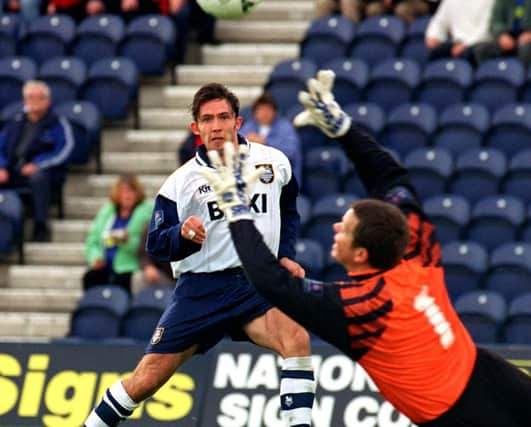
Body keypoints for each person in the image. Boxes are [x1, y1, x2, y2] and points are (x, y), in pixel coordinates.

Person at [201, 70, 531, 427]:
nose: (337, 227)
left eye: (347, 228)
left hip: (458, 415)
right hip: (493, 376)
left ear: (360, 256)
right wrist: (343, 129)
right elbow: (391, 175)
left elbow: (272, 282)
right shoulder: (417, 250)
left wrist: (237, 210)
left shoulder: (359, 308)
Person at [82, 83, 315, 427]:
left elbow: (288, 207)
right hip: (201, 290)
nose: (216, 126)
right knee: (145, 380)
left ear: (238, 121)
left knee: (297, 338)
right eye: (207, 119)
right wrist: (182, 235)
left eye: (224, 117)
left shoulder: (273, 162)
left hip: (255, 283)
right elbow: (156, 244)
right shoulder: (181, 182)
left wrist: (285, 253)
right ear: (196, 128)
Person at [0, 80, 74, 242]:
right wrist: (2, 166)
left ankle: (40, 225)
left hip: (43, 172)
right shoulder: (14, 121)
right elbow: (1, 145)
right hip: (12, 169)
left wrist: (38, 164)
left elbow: (64, 150)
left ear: (47, 100)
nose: (33, 102)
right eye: (30, 98)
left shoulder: (57, 123)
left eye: (38, 98)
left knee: (38, 178)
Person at [83, 174, 153, 293]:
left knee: (123, 281)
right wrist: (95, 258)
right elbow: (93, 240)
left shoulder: (146, 212)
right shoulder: (107, 211)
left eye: (131, 192)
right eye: (123, 192)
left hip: (129, 267)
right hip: (104, 265)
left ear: (137, 193)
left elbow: (145, 246)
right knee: (90, 278)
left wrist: (127, 241)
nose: (127, 196)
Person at [475, 0, 531, 66]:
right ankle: (490, 84)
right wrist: (502, 35)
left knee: (525, 48)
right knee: (482, 49)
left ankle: (526, 85)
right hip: (509, 38)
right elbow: (495, 21)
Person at [241, 92, 302, 185]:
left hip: (282, 179)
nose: (264, 113)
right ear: (254, 112)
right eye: (261, 110)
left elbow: (291, 151)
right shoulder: (249, 127)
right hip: (253, 180)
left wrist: (265, 143)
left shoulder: (285, 127)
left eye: (268, 110)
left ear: (275, 111)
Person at [424, 0, 494, 64]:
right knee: (435, 53)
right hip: (456, 43)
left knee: (466, 54)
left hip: (479, 43)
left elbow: (485, 29)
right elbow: (439, 22)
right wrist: (434, 36)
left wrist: (465, 44)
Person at [130, 222, 176, 295]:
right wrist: (148, 266)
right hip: (162, 274)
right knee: (138, 277)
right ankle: (140, 306)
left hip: (182, 277)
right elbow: (143, 253)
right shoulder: (152, 225)